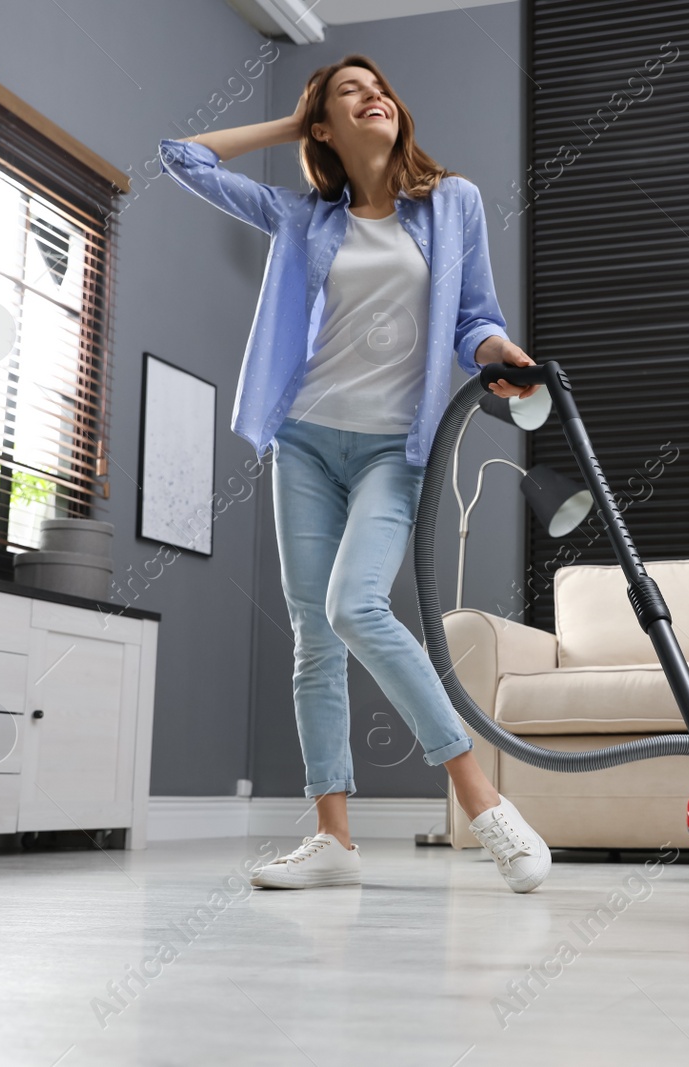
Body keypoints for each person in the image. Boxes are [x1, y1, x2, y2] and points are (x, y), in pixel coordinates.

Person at [158, 54, 550, 893]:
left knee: (353, 605)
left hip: (388, 449)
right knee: (313, 635)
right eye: (349, 92)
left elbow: (474, 316)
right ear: (325, 128)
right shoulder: (303, 218)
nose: (375, 95)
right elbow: (181, 156)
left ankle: (483, 804)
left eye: (379, 87)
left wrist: (498, 351)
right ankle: (333, 839)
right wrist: (295, 125)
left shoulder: (453, 204)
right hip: (304, 440)